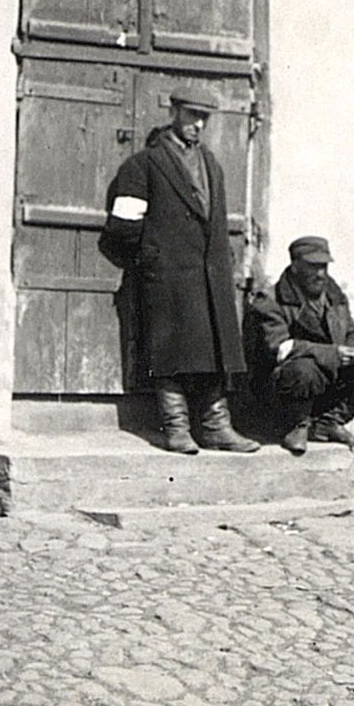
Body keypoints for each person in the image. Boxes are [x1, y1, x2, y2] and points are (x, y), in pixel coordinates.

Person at [101, 88, 260, 456]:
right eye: (191, 115)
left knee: (214, 351)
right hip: (167, 278)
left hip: (209, 277)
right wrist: (153, 258)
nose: (198, 125)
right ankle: (176, 428)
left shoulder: (212, 165)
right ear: (173, 111)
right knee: (169, 352)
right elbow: (122, 227)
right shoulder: (142, 165)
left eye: (204, 118)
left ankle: (217, 427)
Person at [245, 236, 354, 455]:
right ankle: (297, 426)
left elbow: (351, 330)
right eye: (313, 267)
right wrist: (332, 354)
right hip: (281, 393)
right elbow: (280, 348)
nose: (321, 274)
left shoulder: (333, 295)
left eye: (324, 266)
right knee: (304, 369)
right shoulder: (270, 300)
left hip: (323, 384)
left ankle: (329, 422)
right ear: (295, 267)